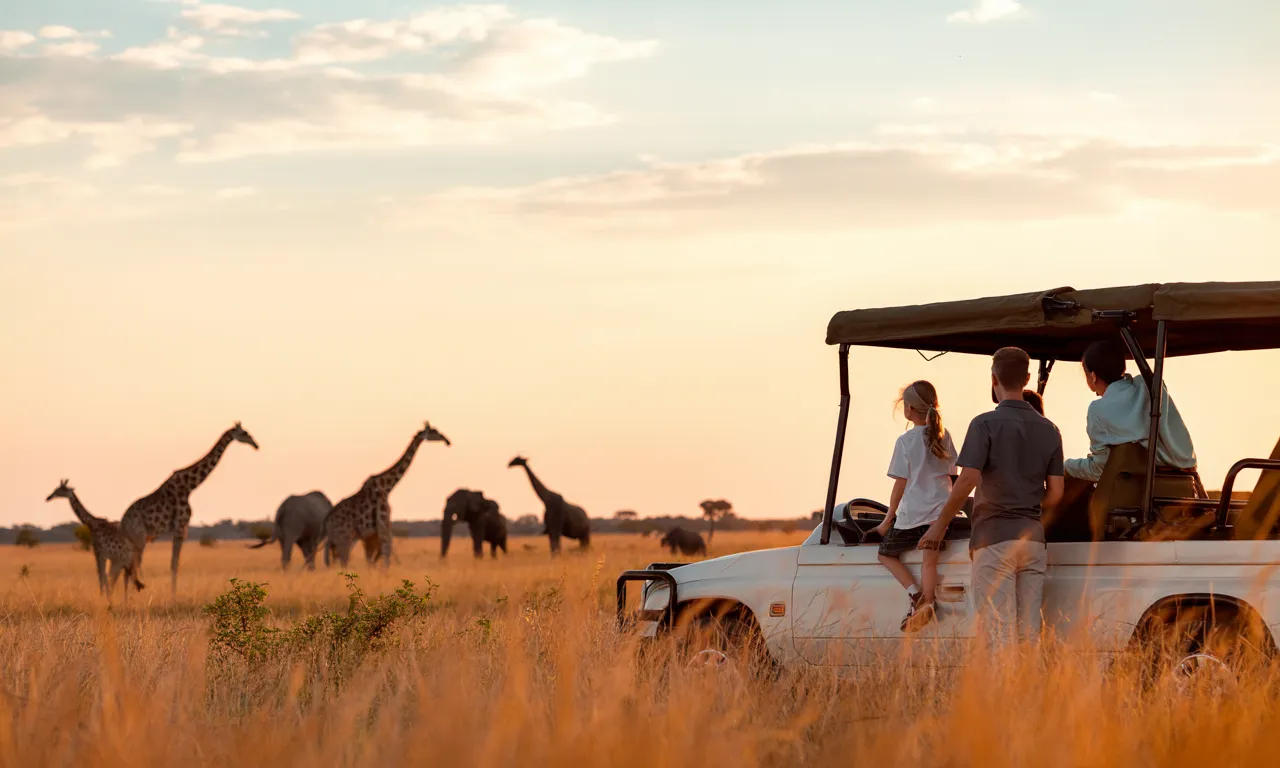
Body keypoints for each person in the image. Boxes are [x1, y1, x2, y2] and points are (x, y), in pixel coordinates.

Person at [919, 347, 1064, 645]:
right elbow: (1056, 493)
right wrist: (1028, 509)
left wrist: (939, 526)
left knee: (998, 634)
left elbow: (968, 479)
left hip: (994, 538)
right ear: (1026, 378)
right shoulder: (1050, 430)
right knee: (1029, 633)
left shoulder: (984, 424)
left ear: (993, 379)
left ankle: (1002, 679)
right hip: (1033, 541)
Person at [873, 381, 957, 633]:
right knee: (929, 561)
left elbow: (900, 484)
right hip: (939, 515)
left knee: (885, 554)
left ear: (909, 409)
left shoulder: (905, 441)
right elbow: (952, 474)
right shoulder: (944, 435)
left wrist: (887, 519)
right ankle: (928, 602)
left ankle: (916, 596)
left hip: (913, 516)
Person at [1064, 338, 1197, 482]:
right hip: (1188, 473)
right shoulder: (1150, 385)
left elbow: (1100, 469)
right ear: (1123, 368)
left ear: (1093, 376)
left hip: (1151, 482)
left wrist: (1067, 466)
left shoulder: (1098, 410)